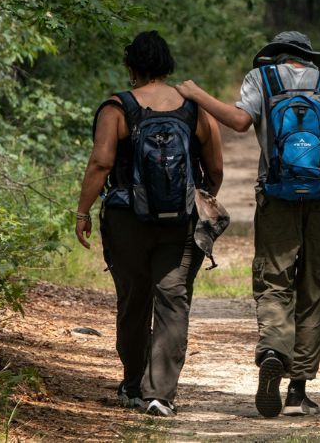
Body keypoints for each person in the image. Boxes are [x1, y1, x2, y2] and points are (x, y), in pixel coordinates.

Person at [175, 31, 320, 418]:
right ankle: (297, 392)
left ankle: (273, 350)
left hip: (275, 195)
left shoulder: (262, 79)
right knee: (314, 285)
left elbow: (240, 122)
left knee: (275, 280)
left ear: (275, 55)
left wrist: (196, 94)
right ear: (308, 57)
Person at [74, 31, 224, 417]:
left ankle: (132, 384)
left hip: (127, 220)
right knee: (173, 301)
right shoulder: (193, 108)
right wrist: (196, 195)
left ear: (131, 66)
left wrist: (83, 211)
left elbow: (101, 163)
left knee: (134, 300)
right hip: (180, 222)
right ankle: (160, 394)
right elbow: (216, 168)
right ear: (168, 64)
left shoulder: (117, 107)